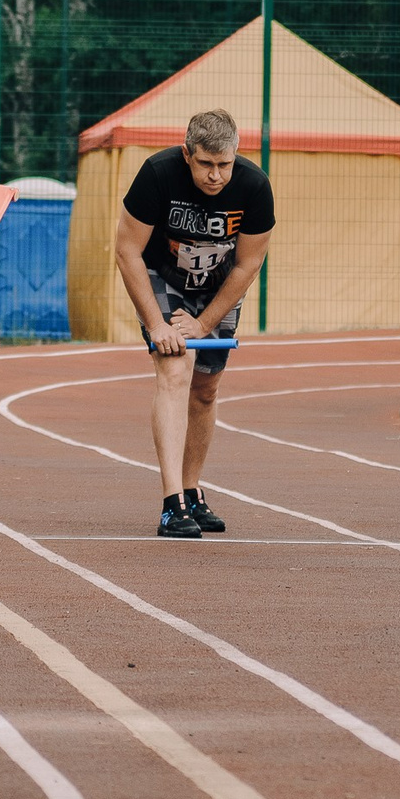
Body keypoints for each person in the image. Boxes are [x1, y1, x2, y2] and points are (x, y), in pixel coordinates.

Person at [114, 108, 275, 538]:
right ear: (187, 154)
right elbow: (127, 251)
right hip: (163, 278)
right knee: (175, 368)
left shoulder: (255, 186)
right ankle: (172, 504)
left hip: (217, 287)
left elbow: (248, 265)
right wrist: (157, 325)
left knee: (206, 389)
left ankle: (191, 489)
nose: (215, 176)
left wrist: (203, 324)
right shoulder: (158, 174)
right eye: (205, 164)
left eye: (224, 164)